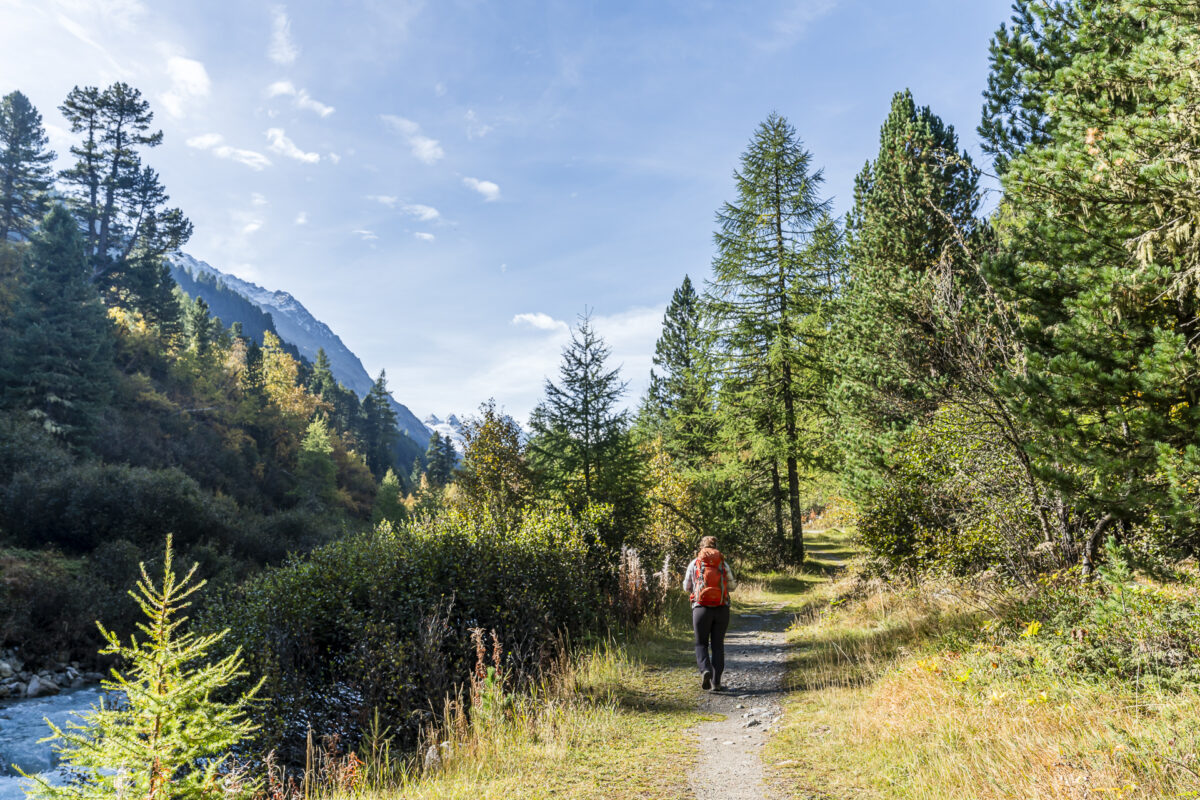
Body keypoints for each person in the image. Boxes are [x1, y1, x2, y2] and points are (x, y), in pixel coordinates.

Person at [682, 535, 736, 691]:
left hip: (700, 609)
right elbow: (731, 586)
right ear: (716, 547)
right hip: (721, 608)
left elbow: (687, 587)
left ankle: (705, 669)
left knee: (701, 643)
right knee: (718, 645)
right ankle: (716, 682)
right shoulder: (723, 564)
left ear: (701, 547)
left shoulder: (695, 563)